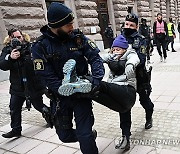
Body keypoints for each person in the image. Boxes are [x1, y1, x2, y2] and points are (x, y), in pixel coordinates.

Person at [31, 2, 105, 154]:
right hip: (59, 98)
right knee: (64, 136)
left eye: (72, 23)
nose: (72, 27)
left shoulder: (77, 37)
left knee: (84, 135)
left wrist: (97, 79)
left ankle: (87, 138)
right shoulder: (40, 46)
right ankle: (89, 136)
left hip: (81, 95)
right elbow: (44, 74)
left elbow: (95, 58)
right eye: (68, 25)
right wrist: (63, 88)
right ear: (56, 26)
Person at [59, 35, 140, 114]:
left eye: (118, 50)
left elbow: (134, 58)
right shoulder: (112, 57)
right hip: (119, 102)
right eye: (114, 50)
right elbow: (100, 58)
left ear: (124, 50)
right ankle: (75, 86)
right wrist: (87, 59)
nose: (115, 52)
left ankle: (83, 80)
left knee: (101, 85)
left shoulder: (130, 54)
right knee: (94, 93)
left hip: (128, 92)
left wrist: (130, 64)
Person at [0, 28, 50, 138]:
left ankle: (51, 118)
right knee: (14, 107)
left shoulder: (31, 46)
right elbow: (2, 64)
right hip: (17, 87)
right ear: (10, 38)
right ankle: (16, 130)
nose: (17, 39)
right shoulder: (7, 50)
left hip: (33, 85)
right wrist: (11, 58)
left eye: (19, 37)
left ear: (23, 36)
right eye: (14, 37)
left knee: (39, 106)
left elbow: (42, 62)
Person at [116, 13, 154, 151]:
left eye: (131, 25)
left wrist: (124, 59)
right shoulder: (119, 38)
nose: (128, 27)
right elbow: (114, 55)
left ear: (136, 26)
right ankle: (125, 136)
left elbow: (141, 59)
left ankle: (149, 116)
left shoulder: (142, 39)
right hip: (125, 79)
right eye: (126, 24)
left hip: (140, 78)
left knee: (145, 101)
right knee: (124, 107)